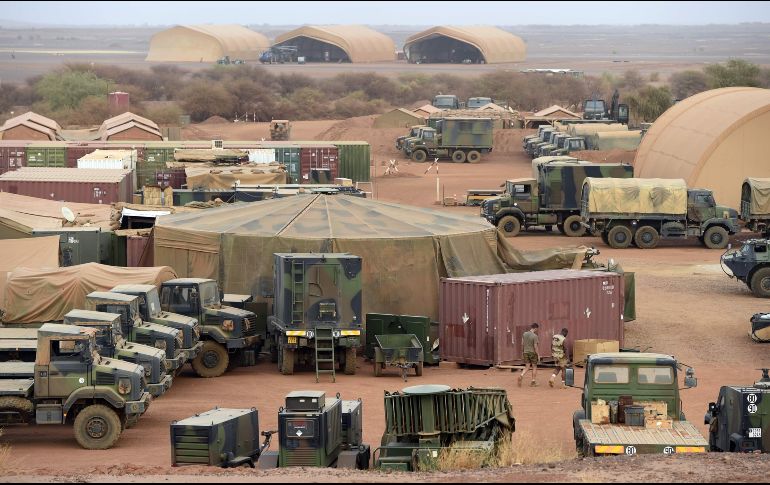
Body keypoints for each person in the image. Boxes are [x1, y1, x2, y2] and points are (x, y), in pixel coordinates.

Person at [518, 323, 540, 387]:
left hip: (525, 352)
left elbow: (522, 344)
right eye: (537, 329)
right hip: (532, 353)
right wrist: (538, 355)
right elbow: (535, 346)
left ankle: (521, 375)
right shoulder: (535, 336)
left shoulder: (524, 334)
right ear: (535, 328)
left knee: (527, 367)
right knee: (534, 367)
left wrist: (522, 352)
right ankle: (533, 382)